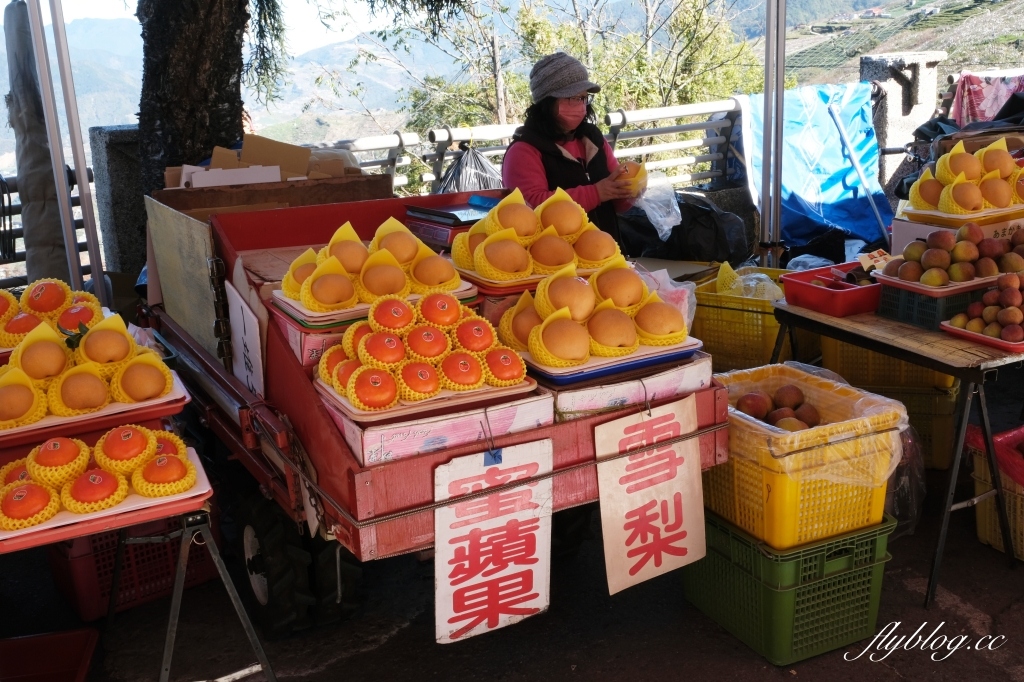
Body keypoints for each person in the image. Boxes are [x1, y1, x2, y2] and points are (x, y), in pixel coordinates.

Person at [502, 52, 635, 242]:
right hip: (555, 262)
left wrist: (629, 191)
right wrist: (595, 193)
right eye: (571, 98)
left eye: (583, 98)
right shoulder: (524, 150)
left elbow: (616, 200)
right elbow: (530, 209)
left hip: (606, 253)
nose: (580, 106)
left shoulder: (592, 139)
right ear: (547, 102)